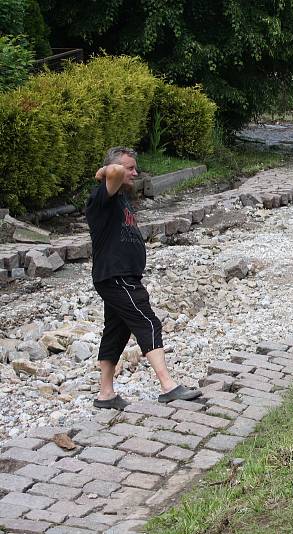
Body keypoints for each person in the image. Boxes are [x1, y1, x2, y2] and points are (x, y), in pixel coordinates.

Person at [87, 146, 202, 408]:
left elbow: (117, 171)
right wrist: (103, 172)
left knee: (116, 332)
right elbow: (113, 170)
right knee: (148, 322)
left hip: (122, 276)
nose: (135, 172)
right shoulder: (100, 198)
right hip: (117, 275)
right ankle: (168, 386)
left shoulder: (121, 198)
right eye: (130, 168)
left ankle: (105, 394)